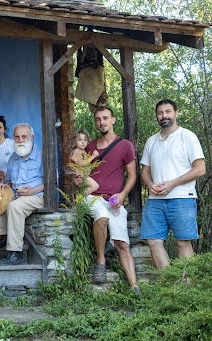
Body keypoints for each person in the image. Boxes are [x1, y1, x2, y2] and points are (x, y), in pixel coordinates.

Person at [140, 99, 206, 269]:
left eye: (168, 112)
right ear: (156, 116)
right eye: (160, 113)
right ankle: (168, 285)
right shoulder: (151, 141)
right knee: (153, 241)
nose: (164, 116)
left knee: (183, 243)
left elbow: (200, 169)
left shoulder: (187, 136)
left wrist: (173, 183)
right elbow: (145, 171)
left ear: (176, 113)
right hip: (155, 200)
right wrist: (149, 184)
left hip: (182, 198)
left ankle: (187, 291)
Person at [85, 106, 140, 292]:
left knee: (122, 243)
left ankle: (134, 286)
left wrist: (123, 194)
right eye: (98, 119)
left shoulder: (125, 146)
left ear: (113, 120)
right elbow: (80, 171)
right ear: (95, 122)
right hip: (93, 197)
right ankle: (100, 261)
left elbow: (132, 175)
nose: (102, 122)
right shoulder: (90, 147)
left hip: (114, 201)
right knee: (102, 217)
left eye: (105, 118)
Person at [0, 123, 45, 265]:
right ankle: (4, 236)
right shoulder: (13, 158)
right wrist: (6, 186)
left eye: (24, 137)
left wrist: (33, 191)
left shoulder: (42, 156)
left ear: (31, 137)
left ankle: (16, 252)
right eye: (17, 137)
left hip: (37, 196)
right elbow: (10, 181)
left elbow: (52, 182)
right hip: (18, 194)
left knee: (14, 206)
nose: (20, 140)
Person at [69, 129, 99, 195]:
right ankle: (79, 196)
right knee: (95, 186)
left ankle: (81, 197)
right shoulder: (76, 151)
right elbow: (82, 163)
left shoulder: (83, 151)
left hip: (83, 176)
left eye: (85, 140)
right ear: (75, 141)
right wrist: (93, 156)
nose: (83, 142)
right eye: (80, 140)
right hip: (80, 177)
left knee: (91, 187)